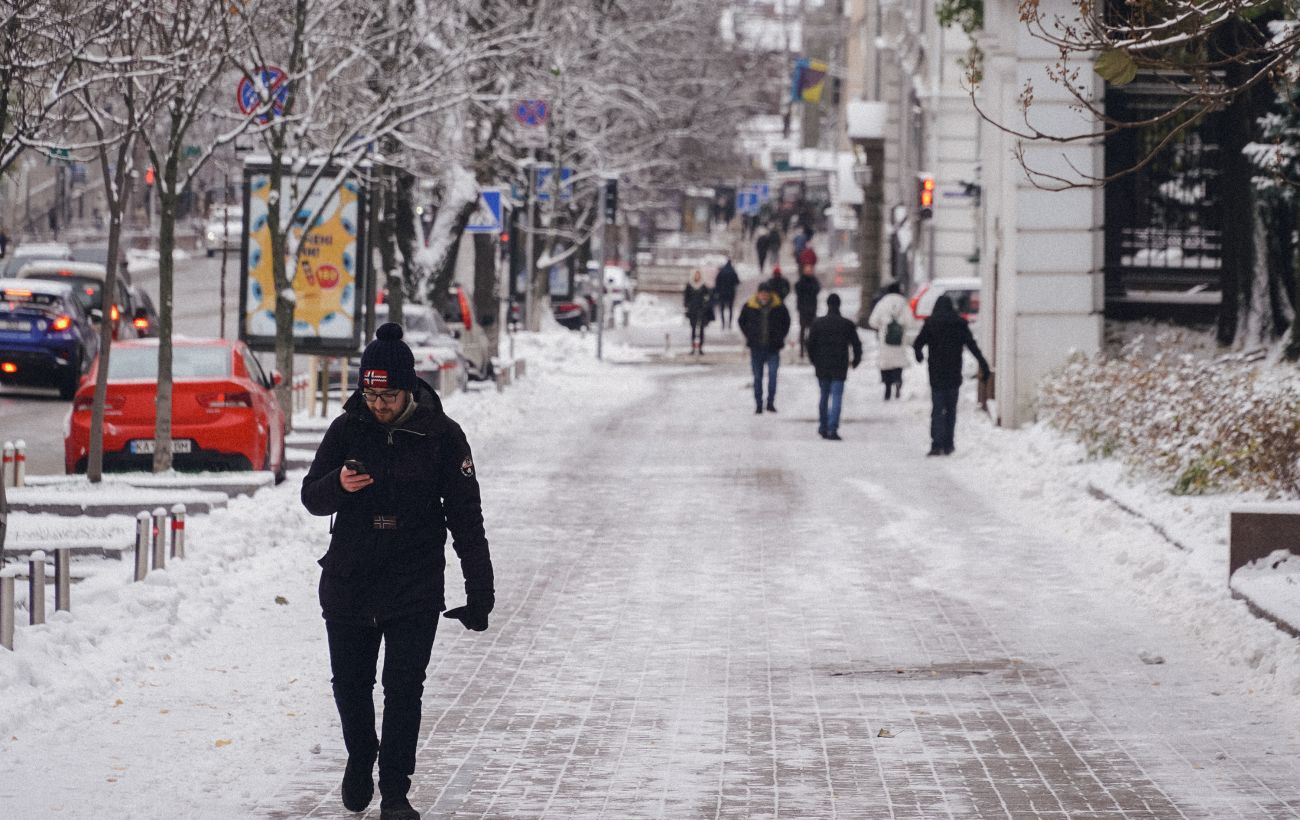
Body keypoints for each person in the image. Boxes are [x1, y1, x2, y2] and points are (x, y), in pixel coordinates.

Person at [301, 323, 495, 820]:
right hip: (349, 580)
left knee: (404, 689)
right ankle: (361, 753)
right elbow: (311, 496)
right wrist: (339, 486)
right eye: (370, 393)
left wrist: (480, 591)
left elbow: (466, 517)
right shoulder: (347, 428)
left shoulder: (443, 437)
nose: (378, 404)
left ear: (408, 389)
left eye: (387, 395)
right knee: (350, 684)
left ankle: (394, 791)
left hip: (413, 583)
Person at [912, 294, 990, 456]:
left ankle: (936, 444)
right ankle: (949, 444)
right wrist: (983, 364)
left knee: (937, 408)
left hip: (936, 372)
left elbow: (918, 343)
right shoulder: (959, 324)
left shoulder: (931, 323)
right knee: (951, 409)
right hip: (954, 372)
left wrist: (919, 355)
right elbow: (972, 346)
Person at [806, 293, 862, 440]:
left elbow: (810, 344)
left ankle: (823, 426)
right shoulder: (846, 324)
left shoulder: (818, 323)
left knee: (824, 396)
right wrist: (856, 360)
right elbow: (856, 344)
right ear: (839, 304)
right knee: (837, 397)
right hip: (839, 365)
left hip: (822, 365)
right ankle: (832, 429)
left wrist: (814, 360)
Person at [738, 282, 791, 413]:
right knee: (757, 377)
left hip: (773, 348)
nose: (764, 296)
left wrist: (780, 336)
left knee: (772, 376)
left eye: (766, 293)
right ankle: (758, 404)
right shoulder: (750, 306)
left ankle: (770, 402)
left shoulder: (779, 306)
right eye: (762, 293)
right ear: (758, 293)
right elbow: (741, 321)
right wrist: (749, 334)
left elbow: (786, 322)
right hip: (756, 347)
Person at [866, 280, 911, 400]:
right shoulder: (903, 303)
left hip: (885, 339)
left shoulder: (882, 303)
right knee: (898, 362)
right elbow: (910, 321)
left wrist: (882, 326)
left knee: (886, 364)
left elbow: (873, 321)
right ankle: (897, 381)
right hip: (899, 339)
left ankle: (887, 387)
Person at [793, 266, 821, 359]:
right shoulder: (801, 281)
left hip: (812, 309)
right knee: (802, 329)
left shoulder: (813, 281)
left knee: (812, 330)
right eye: (807, 271)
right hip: (803, 310)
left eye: (810, 271)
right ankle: (801, 349)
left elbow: (817, 289)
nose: (809, 272)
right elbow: (798, 290)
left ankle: (811, 348)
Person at [683, 268, 713, 355]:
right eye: (696, 274)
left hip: (701, 311)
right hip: (692, 310)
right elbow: (686, 298)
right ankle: (693, 347)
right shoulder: (689, 285)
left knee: (701, 330)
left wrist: (705, 304)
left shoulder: (703, 286)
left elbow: (707, 297)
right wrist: (687, 306)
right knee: (693, 329)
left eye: (698, 274)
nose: (697, 276)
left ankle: (700, 347)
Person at [713, 257, 740, 329]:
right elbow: (737, 282)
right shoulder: (733, 271)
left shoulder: (721, 271)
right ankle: (730, 324)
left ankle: (723, 323)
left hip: (722, 293)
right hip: (731, 293)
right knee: (731, 309)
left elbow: (717, 282)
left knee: (722, 308)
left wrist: (717, 291)